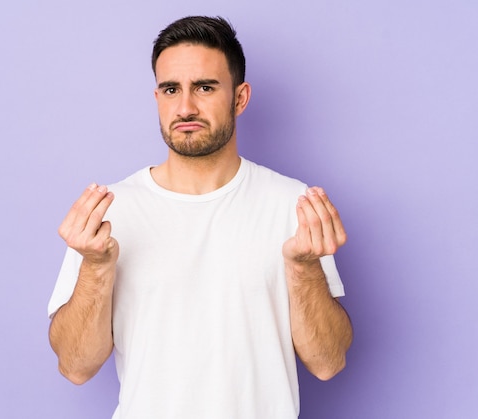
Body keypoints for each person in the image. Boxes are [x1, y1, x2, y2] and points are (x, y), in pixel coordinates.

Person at [47, 15, 352, 419]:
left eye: (205, 87)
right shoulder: (110, 212)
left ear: (239, 98)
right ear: (157, 97)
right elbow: (75, 366)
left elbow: (328, 362)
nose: (185, 106)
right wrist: (95, 267)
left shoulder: (292, 204)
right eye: (171, 89)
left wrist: (304, 268)